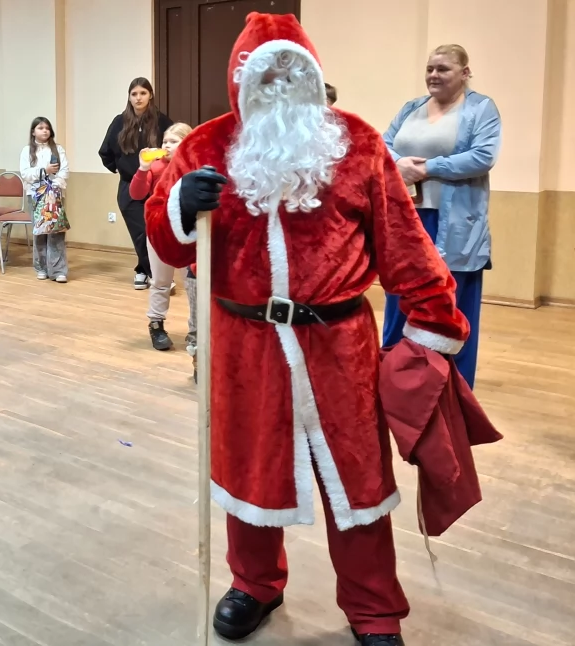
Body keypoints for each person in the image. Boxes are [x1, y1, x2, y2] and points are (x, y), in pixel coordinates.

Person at [145, 14, 469, 645]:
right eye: (266, 77)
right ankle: (255, 583)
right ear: (241, 82)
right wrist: (181, 206)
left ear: (315, 77)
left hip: (338, 346)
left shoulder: (359, 145)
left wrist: (432, 328)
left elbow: (406, 247)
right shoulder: (203, 149)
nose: (281, 89)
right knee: (247, 472)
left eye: (295, 74)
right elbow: (166, 239)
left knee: (358, 481)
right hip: (242, 345)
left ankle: (374, 610)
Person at [382, 44, 499, 389]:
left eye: (443, 69)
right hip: (408, 220)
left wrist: (427, 168)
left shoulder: (481, 108)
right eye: (430, 68)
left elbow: (483, 156)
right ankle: (396, 379)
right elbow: (384, 144)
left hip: (455, 227)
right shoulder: (411, 108)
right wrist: (399, 163)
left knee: (452, 307)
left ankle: (453, 390)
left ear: (464, 73)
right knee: (401, 300)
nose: (434, 75)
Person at [99, 77, 175, 290]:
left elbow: (172, 148)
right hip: (129, 186)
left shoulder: (162, 122)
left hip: (156, 186)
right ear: (129, 97)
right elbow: (105, 152)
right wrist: (121, 168)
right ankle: (154, 274)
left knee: (154, 232)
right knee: (140, 232)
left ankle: (143, 270)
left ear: (150, 95)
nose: (138, 97)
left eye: (143, 93)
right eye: (134, 94)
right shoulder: (119, 122)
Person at [131, 123, 193, 356]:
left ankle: (196, 329)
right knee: (160, 281)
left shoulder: (193, 166)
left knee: (193, 284)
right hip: (159, 232)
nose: (166, 145)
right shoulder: (155, 166)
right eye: (165, 141)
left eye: (173, 141)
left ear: (186, 143)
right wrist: (142, 168)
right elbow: (136, 194)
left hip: (189, 233)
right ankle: (156, 324)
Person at [20, 116, 70, 283]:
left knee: (56, 231)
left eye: (47, 128)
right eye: (41, 128)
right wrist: (44, 171)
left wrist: (53, 187)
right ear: (33, 131)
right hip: (35, 195)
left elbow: (64, 171)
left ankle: (58, 270)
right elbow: (25, 173)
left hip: (54, 195)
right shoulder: (27, 150)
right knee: (40, 232)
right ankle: (41, 268)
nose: (45, 131)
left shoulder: (58, 149)